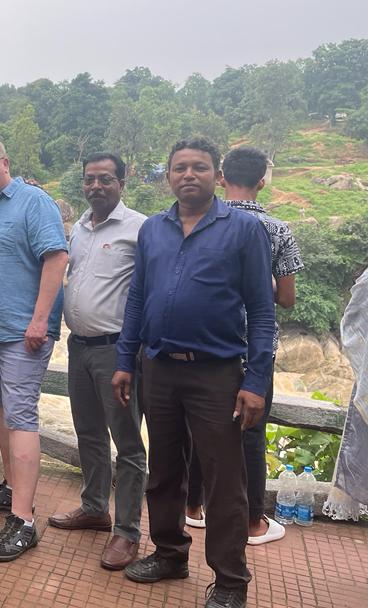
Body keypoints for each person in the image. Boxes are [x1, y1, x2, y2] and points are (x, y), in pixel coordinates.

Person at [112, 137, 275, 608]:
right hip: (158, 368)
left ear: (216, 175)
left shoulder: (243, 230)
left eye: (199, 167)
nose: (189, 175)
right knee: (163, 470)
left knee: (225, 480)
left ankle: (229, 581)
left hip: (217, 374)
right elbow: (137, 300)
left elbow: (262, 313)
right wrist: (126, 361)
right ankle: (169, 554)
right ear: (168, 176)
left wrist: (256, 381)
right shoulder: (153, 231)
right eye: (180, 167)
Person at [185, 145, 303, 546]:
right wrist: (260, 281)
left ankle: (193, 509)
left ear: (221, 179)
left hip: (209, 343)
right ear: (262, 183)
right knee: (250, 434)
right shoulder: (278, 229)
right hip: (255, 349)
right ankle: (253, 523)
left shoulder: (204, 221)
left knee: (200, 428)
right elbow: (286, 298)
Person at [0, 136, 69, 562]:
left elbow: (56, 258)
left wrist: (40, 319)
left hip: (23, 334)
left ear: (5, 162)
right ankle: (10, 488)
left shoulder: (32, 201)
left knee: (21, 416)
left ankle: (23, 520)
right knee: (2, 411)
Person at [48, 152, 147, 571]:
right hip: (79, 347)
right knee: (88, 432)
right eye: (89, 179)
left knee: (126, 443)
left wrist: (134, 349)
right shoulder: (80, 231)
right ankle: (93, 506)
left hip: (118, 350)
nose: (95, 187)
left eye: (105, 179)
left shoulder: (140, 228)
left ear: (122, 182)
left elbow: (148, 293)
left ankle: (126, 532)